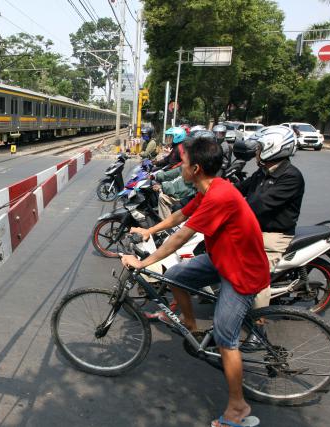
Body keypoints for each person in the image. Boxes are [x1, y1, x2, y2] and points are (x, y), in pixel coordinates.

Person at [122, 133, 269, 427]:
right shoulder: (209, 188)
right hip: (222, 259)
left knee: (227, 339)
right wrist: (150, 232)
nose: (180, 167)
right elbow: (179, 216)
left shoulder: (219, 196)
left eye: (183, 163)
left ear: (196, 169)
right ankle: (191, 325)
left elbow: (181, 238)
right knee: (175, 274)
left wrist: (143, 262)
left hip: (241, 272)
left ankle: (238, 408)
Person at [236, 125, 304, 318]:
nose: (256, 151)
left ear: (273, 147)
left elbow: (258, 204)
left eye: (259, 147)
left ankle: (258, 328)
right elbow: (241, 188)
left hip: (273, 236)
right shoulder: (264, 171)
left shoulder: (291, 176)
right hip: (254, 230)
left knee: (257, 276)